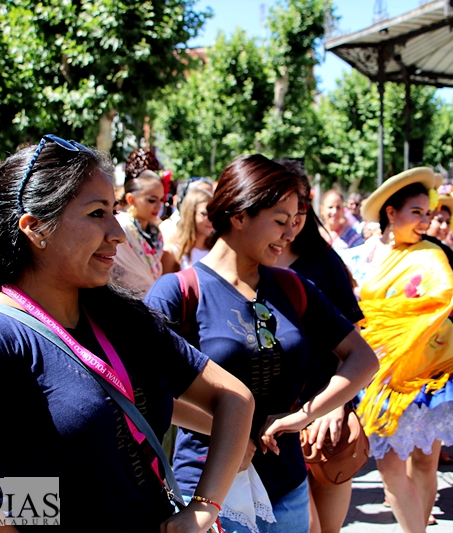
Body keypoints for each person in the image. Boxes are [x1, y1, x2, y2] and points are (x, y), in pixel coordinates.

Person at [0, 135, 255, 530]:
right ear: (36, 229)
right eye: (96, 213)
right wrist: (44, 510)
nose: (117, 233)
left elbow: (235, 398)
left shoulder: (121, 317)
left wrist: (204, 507)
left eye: (114, 210)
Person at [145, 154, 378, 533]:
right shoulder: (178, 292)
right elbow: (146, 389)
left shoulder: (293, 286)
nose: (290, 234)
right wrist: (228, 433)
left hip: (288, 488)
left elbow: (362, 358)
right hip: (206, 495)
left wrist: (306, 413)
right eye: (280, 221)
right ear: (238, 215)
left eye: (296, 222)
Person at [356, 167, 453, 533]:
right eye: (417, 213)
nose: (425, 221)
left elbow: (444, 296)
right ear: (391, 213)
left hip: (429, 368)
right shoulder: (376, 255)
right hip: (387, 371)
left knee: (425, 462)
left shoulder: (431, 253)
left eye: (427, 214)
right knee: (391, 468)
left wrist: (388, 318)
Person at [273, 161, 364, 533]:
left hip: (327, 419)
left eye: (299, 208)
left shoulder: (325, 263)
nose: (291, 220)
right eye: (279, 208)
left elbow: (356, 344)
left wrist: (336, 404)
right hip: (271, 422)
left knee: (327, 528)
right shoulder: (239, 266)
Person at [111, 148, 165, 298]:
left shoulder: (156, 233)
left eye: (161, 200)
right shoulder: (119, 228)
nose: (158, 206)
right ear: (131, 199)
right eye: (151, 200)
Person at [162, 188, 213, 273]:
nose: (211, 219)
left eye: (214, 213)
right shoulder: (173, 252)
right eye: (204, 214)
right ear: (190, 213)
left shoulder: (216, 250)